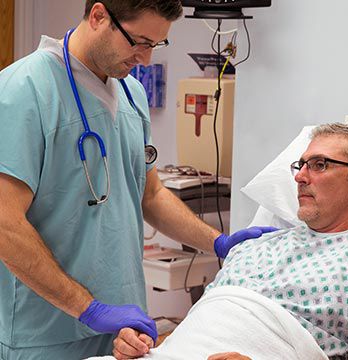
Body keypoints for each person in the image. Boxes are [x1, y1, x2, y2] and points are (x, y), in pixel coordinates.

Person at [0, 1, 277, 359]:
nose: (145, 59)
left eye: (156, 46)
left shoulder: (132, 94)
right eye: (139, 42)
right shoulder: (22, 90)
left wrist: (219, 242)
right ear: (99, 16)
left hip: (125, 330)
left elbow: (151, 195)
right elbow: (5, 224)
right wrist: (88, 309)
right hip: (46, 332)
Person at [111, 123, 348, 360]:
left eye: (319, 165)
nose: (300, 177)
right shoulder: (257, 245)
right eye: (301, 165)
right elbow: (199, 330)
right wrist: (143, 344)